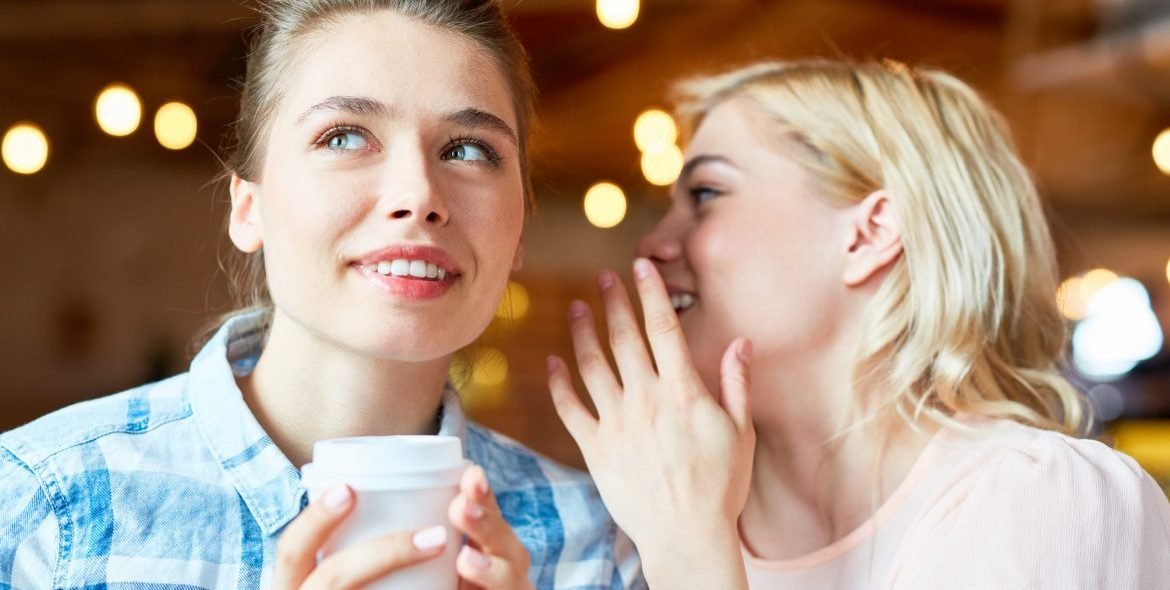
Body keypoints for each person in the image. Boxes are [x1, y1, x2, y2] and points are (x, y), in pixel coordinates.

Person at [0, 1, 641, 588]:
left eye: (469, 149)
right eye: (344, 136)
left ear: (520, 224)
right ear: (248, 208)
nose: (418, 195)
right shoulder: (46, 509)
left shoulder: (594, 542)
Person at [547, 59, 1170, 588]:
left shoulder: (1043, 501)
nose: (652, 244)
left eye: (706, 194)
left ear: (870, 234)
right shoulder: (642, 520)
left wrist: (691, 556)